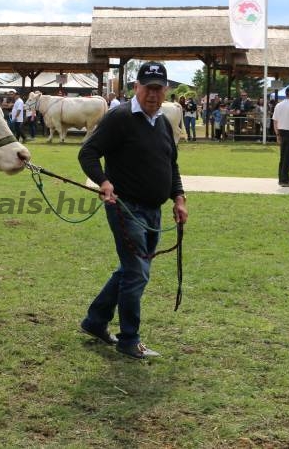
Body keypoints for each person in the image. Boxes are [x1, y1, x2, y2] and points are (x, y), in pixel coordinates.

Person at [77, 61, 188, 360]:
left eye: (159, 88)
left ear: (166, 90)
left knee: (131, 270)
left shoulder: (163, 122)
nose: (153, 94)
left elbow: (171, 164)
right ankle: (129, 338)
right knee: (137, 273)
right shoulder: (119, 118)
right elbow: (87, 152)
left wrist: (178, 197)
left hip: (154, 210)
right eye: (148, 88)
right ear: (136, 87)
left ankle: (95, 321)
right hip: (126, 208)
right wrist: (104, 182)